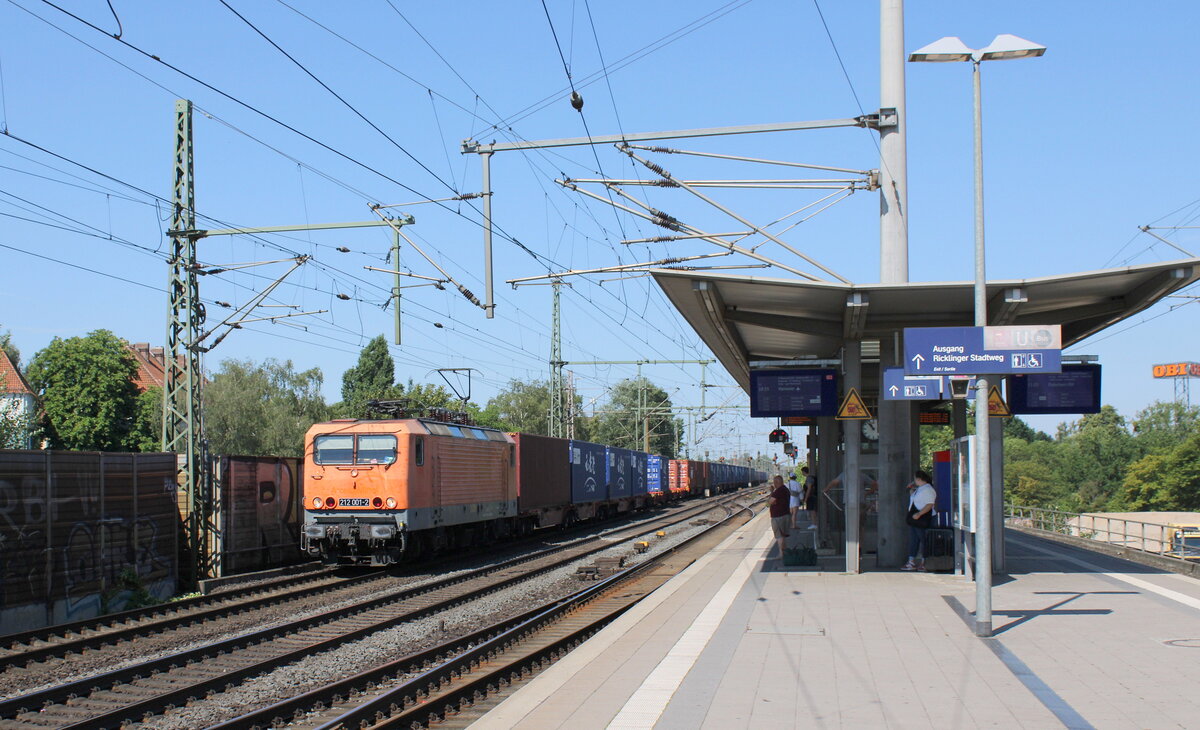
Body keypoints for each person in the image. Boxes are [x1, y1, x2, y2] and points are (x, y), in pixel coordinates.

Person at [903, 470, 937, 572]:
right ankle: (911, 561)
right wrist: (911, 490)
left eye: (915, 479)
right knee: (914, 539)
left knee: (924, 540)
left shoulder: (928, 489)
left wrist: (919, 514)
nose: (914, 481)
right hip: (916, 519)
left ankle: (925, 562)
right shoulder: (920, 489)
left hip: (922, 518)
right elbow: (915, 500)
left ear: (919, 479)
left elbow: (930, 504)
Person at [768, 474, 791, 558]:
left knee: (779, 536)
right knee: (783, 535)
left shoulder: (777, 491)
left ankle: (781, 553)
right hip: (786, 514)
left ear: (776, 483)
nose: (774, 484)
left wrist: (772, 492)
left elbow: (770, 502)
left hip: (778, 516)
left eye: (774, 482)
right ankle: (785, 551)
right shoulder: (786, 490)